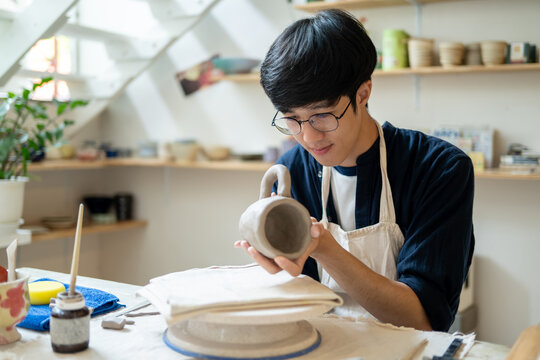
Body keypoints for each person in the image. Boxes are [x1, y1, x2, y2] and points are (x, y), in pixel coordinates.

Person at [235, 9, 474, 332]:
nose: (308, 137)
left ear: (363, 94)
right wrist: (280, 271)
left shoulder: (438, 169)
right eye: (291, 119)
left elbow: (423, 320)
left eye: (321, 115)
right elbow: (301, 301)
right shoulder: (292, 170)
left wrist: (324, 249)